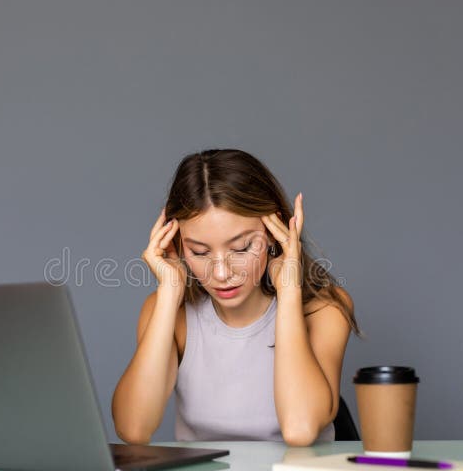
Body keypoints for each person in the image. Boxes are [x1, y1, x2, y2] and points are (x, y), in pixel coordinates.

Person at [112, 149, 361, 446]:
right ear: (177, 244)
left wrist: (290, 289)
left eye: (241, 248)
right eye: (200, 252)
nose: (220, 273)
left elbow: (300, 429)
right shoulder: (169, 313)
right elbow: (132, 429)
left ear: (273, 233)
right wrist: (168, 293)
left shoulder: (324, 309)